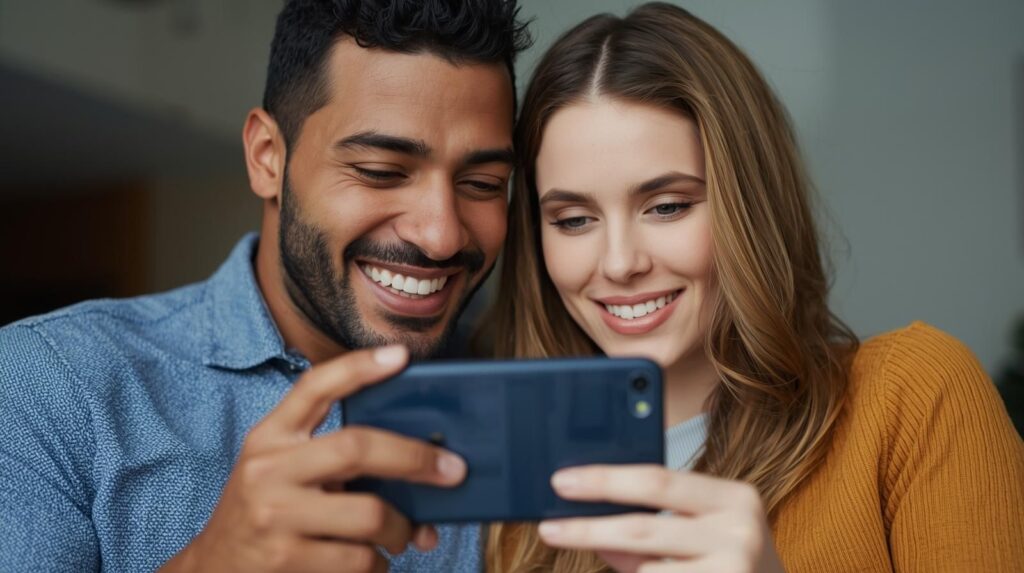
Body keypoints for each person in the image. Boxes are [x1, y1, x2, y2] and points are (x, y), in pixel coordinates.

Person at [485, 3, 1024, 571]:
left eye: (667, 206)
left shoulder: (910, 401)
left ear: (750, 209)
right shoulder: (513, 493)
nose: (619, 263)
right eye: (573, 220)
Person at [0, 1, 530, 571]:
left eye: (482, 183)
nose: (441, 235)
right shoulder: (48, 385)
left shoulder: (528, 401)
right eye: (381, 171)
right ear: (267, 157)